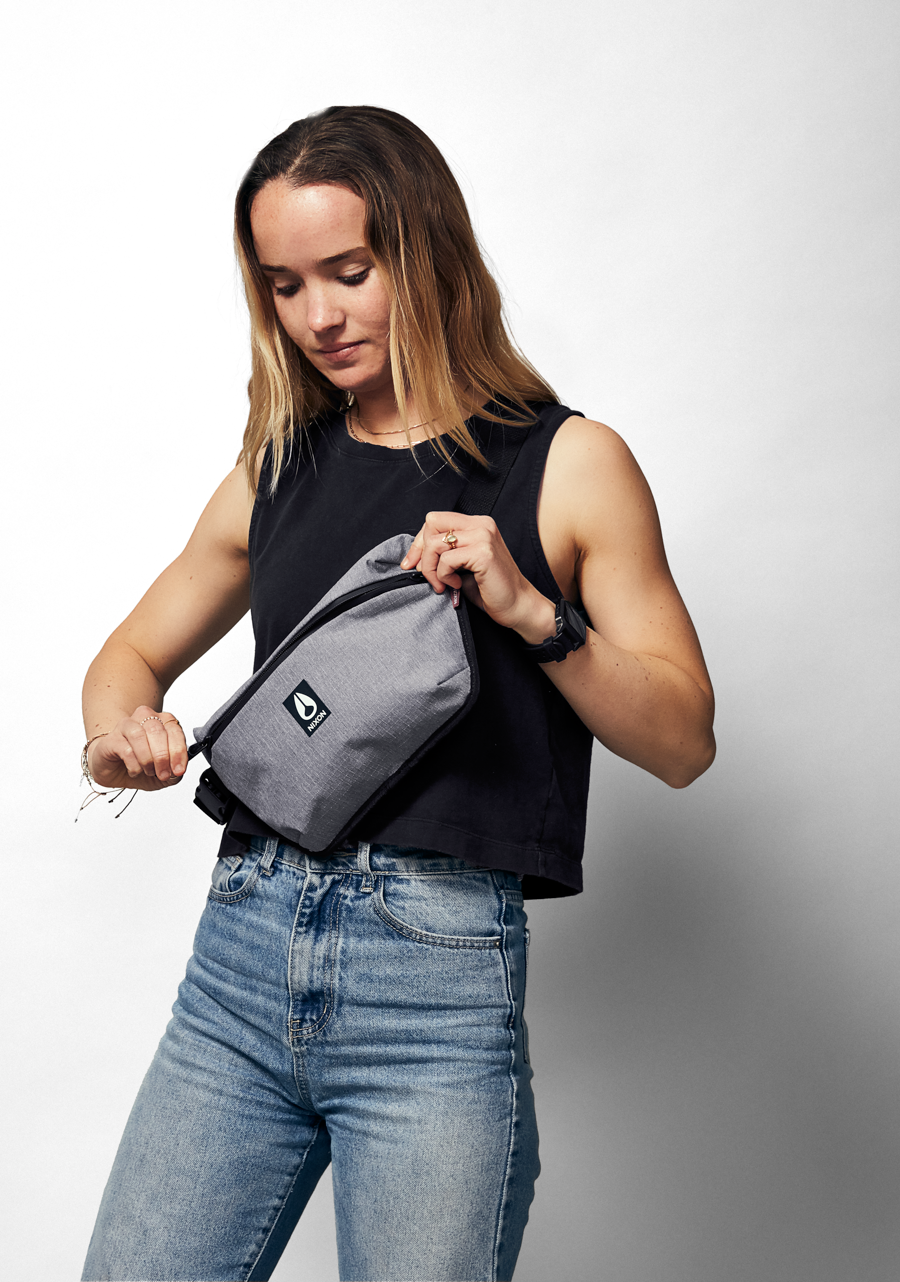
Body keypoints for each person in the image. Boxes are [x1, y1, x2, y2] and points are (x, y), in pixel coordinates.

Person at [80, 106, 715, 1282]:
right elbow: (126, 657)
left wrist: (533, 614)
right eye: (283, 285)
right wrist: (119, 734)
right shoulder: (277, 466)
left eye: (349, 271)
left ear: (426, 252)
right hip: (239, 961)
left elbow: (684, 740)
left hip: (435, 990)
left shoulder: (570, 465)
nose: (317, 316)